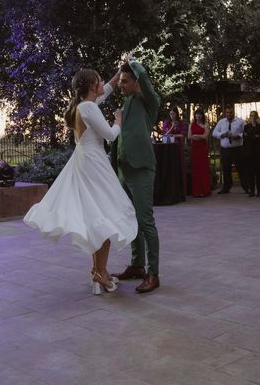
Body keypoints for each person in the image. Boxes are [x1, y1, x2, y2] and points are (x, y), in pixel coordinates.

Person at [23, 69, 138, 295]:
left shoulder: (84, 105)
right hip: (94, 165)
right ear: (92, 85)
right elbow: (110, 135)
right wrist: (118, 120)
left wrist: (118, 73)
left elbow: (105, 92)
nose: (103, 83)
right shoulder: (88, 107)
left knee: (97, 218)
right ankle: (100, 272)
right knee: (107, 216)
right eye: (100, 80)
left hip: (86, 162)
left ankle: (98, 272)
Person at [111, 56, 162, 294]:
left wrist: (135, 65)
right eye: (120, 81)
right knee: (131, 220)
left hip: (141, 168)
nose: (121, 85)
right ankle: (137, 265)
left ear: (136, 82)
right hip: (124, 169)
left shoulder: (148, 101)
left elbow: (147, 83)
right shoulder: (125, 104)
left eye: (125, 81)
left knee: (145, 221)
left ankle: (153, 274)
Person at [212, 105, 247, 194]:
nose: (229, 114)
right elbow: (214, 133)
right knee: (226, 169)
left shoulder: (240, 121)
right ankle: (226, 187)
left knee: (241, 168)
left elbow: (246, 132)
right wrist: (223, 135)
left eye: (230, 112)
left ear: (233, 112)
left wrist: (238, 136)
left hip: (238, 148)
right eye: (227, 112)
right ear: (225, 113)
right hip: (225, 149)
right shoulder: (221, 122)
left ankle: (246, 187)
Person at [188, 108, 211, 197]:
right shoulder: (191, 125)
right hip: (195, 149)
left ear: (202, 115)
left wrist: (196, 135)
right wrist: (198, 136)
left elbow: (205, 136)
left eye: (200, 114)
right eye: (197, 114)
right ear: (195, 115)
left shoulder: (206, 125)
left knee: (203, 169)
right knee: (196, 170)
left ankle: (205, 191)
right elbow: (189, 137)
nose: (198, 116)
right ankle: (197, 191)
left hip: (203, 149)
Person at [243, 111, 260, 197]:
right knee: (250, 173)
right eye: (251, 115)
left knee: (259, 173)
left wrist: (249, 135)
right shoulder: (246, 127)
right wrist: (254, 135)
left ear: (257, 117)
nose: (252, 117)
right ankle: (252, 191)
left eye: (254, 115)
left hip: (259, 153)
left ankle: (259, 191)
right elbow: (245, 138)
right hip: (249, 153)